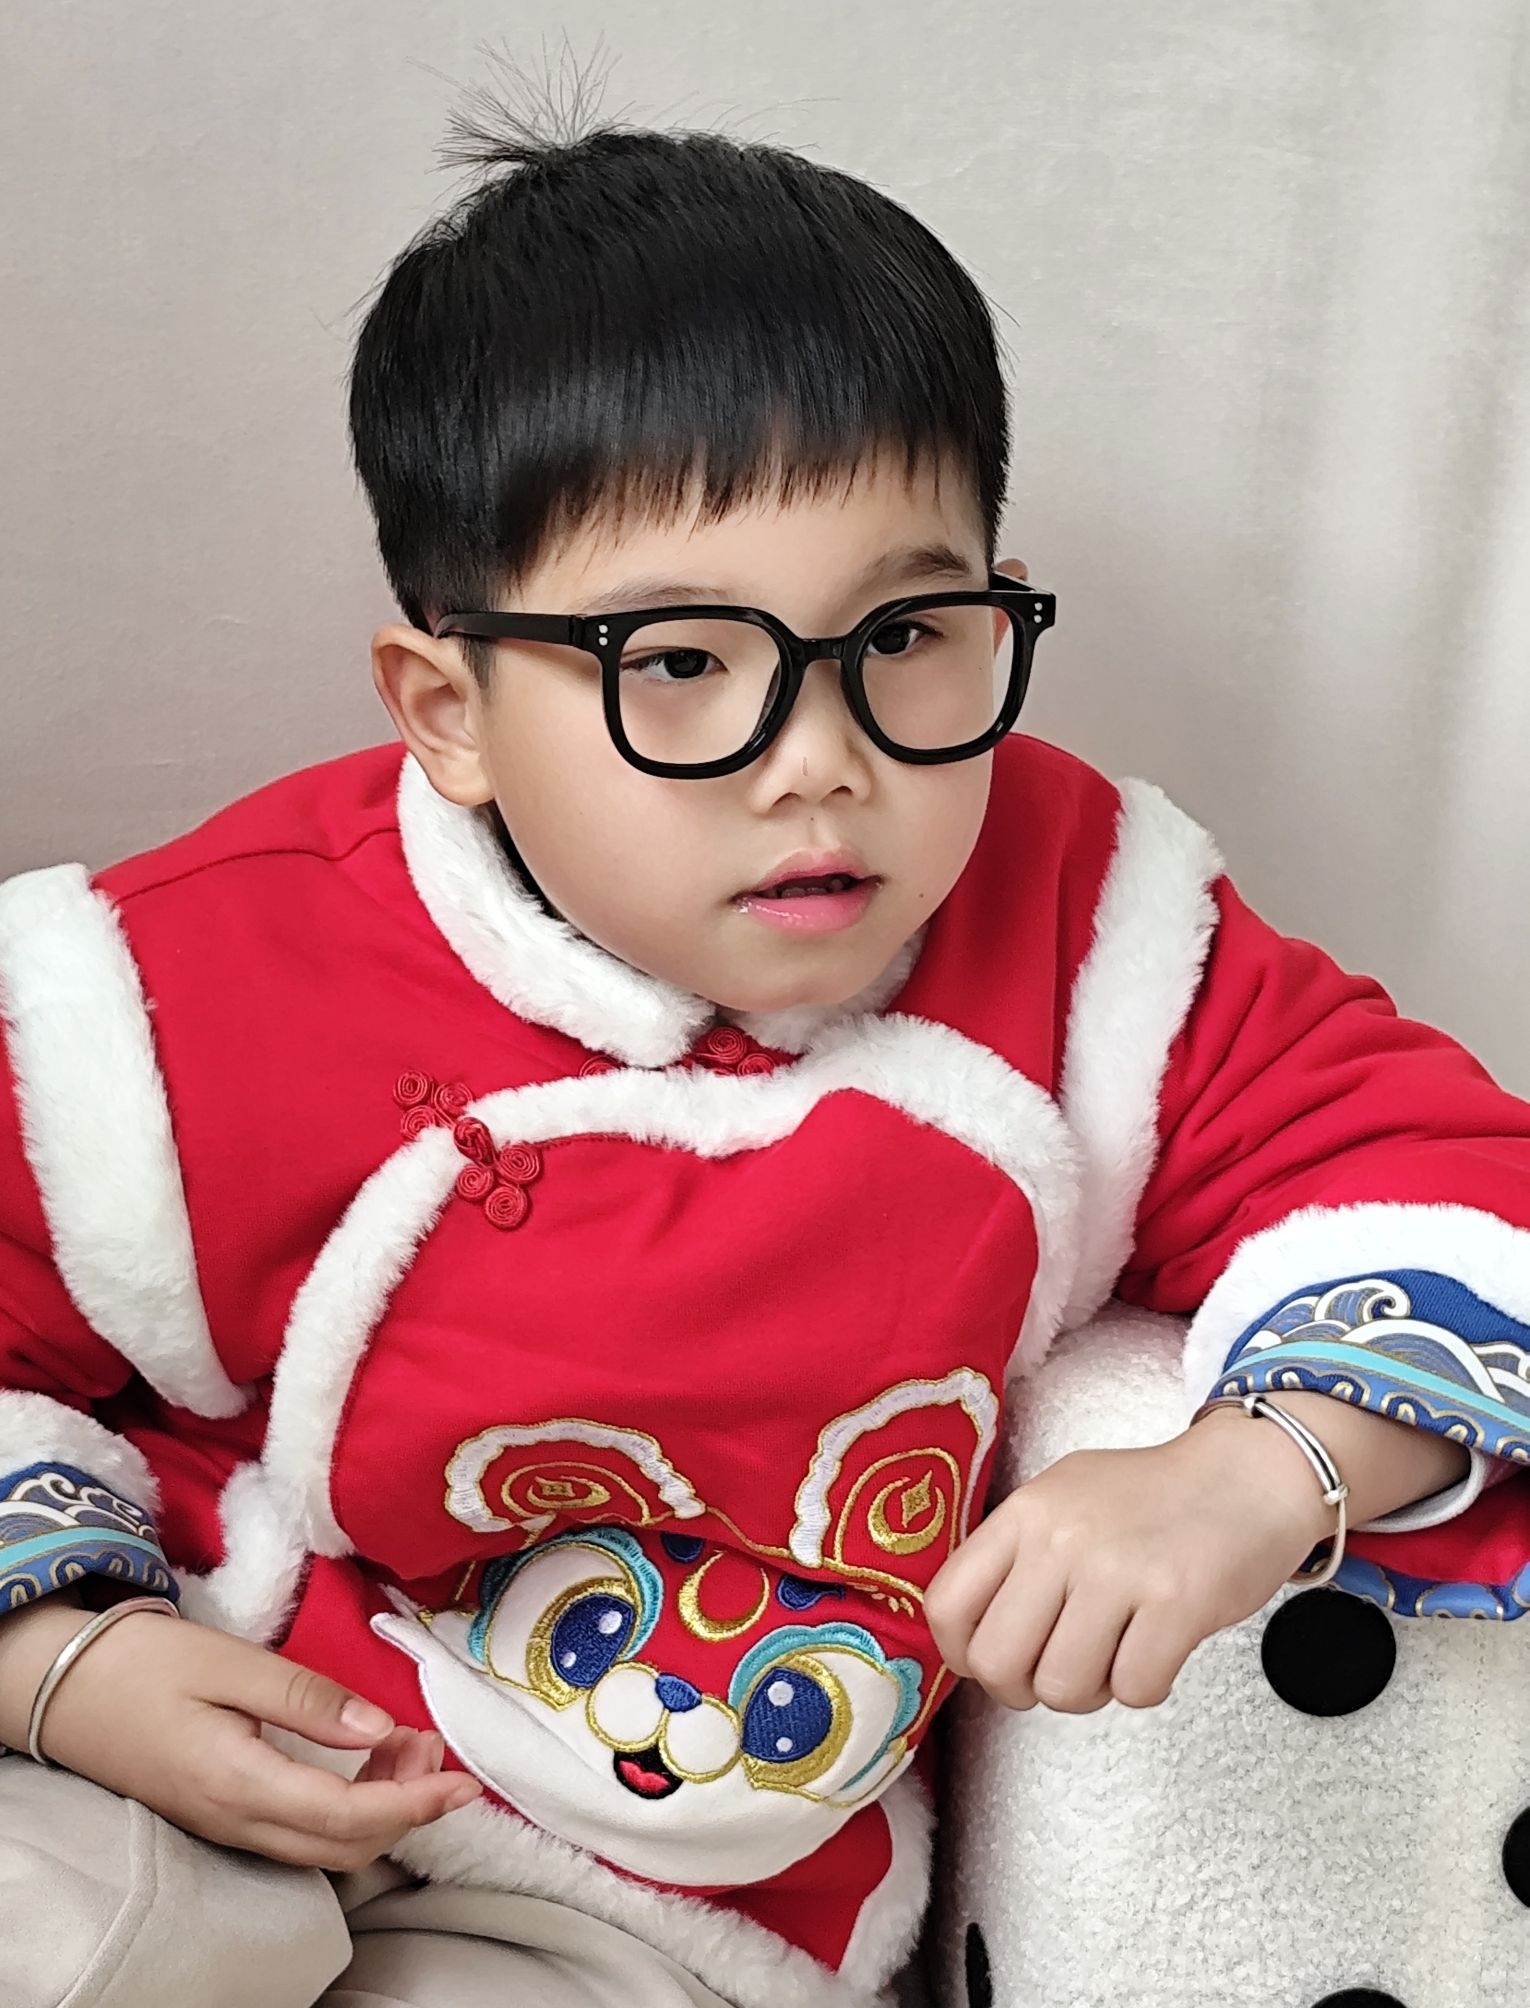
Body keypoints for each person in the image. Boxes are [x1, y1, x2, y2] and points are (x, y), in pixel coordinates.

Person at [1, 108, 1528, 2008]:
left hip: (653, 1893)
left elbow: (1452, 1181)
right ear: (447, 710)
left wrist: (1258, 1467)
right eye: (676, 664)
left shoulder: (1090, 928)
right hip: (189, 1716)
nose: (821, 758)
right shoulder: (174, 985)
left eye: (906, 633)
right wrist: (57, 1662)